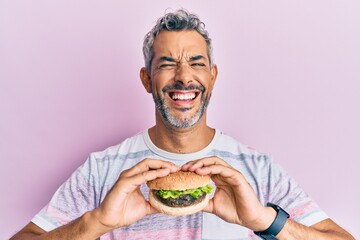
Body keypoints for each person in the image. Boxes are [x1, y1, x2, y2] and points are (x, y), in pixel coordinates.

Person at [11, 9, 354, 240]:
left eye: (196, 63)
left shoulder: (257, 170)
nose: (184, 77)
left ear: (213, 76)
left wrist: (265, 221)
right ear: (147, 79)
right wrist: (97, 221)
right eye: (167, 64)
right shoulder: (101, 169)